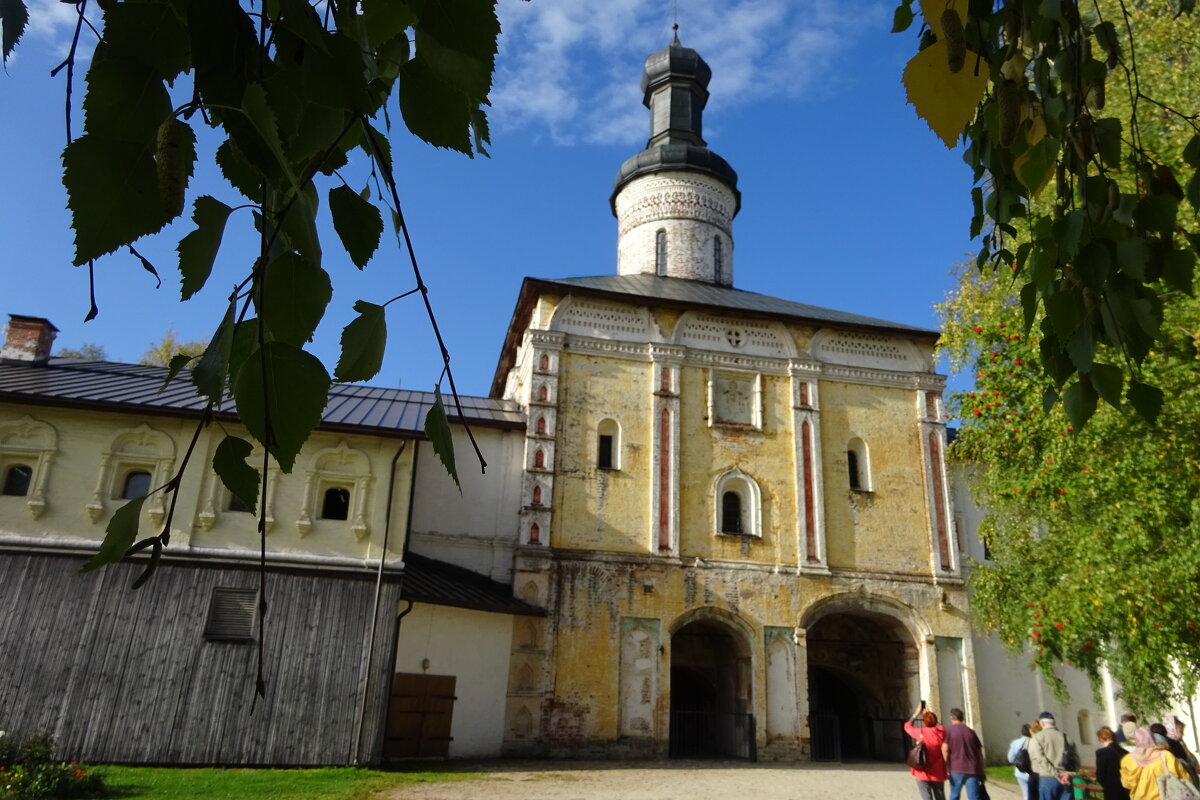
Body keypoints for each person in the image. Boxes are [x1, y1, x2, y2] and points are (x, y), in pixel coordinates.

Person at [1120, 726, 1190, 800]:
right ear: (1152, 738)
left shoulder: (1127, 760)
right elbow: (1183, 776)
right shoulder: (1165, 755)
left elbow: (1127, 784)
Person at [905, 701, 948, 800]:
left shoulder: (920, 732)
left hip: (922, 771)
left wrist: (916, 714)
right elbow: (939, 725)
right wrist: (930, 713)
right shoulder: (941, 732)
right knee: (940, 796)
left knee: (926, 797)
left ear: (924, 722)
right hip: (938, 771)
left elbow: (907, 727)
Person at [941, 707, 985, 800]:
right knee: (974, 797)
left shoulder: (949, 731)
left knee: (954, 795)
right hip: (972, 769)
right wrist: (981, 770)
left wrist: (944, 767)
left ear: (952, 718)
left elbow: (945, 750)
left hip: (956, 768)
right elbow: (979, 753)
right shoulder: (971, 732)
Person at [1027, 711, 1073, 800]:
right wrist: (1067, 774)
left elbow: (1041, 759)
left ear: (1041, 723)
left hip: (1048, 778)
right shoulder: (1067, 738)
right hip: (1066, 779)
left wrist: (1056, 774)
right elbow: (1076, 762)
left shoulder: (1038, 737)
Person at [1094, 726, 1131, 800]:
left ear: (1101, 739)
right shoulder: (1126, 753)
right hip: (1126, 790)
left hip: (1111, 790)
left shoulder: (1102, 752)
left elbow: (1100, 775)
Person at [1008, 724, 1037, 800]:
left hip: (1020, 772)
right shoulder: (1034, 742)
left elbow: (1010, 758)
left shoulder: (1015, 743)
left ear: (1021, 733)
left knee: (1026, 794)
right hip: (1032, 772)